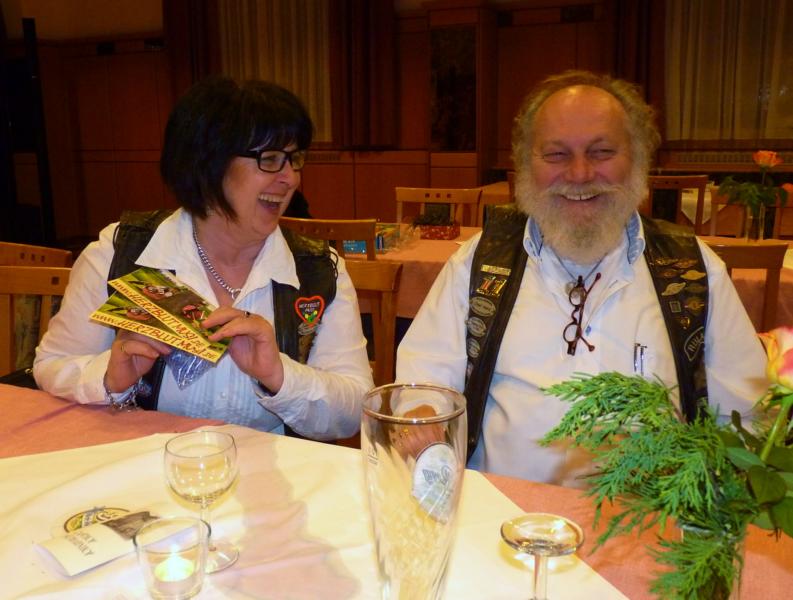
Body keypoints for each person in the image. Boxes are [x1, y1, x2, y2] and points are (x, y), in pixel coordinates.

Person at [395, 70, 768, 485]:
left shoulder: (693, 270)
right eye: (556, 155)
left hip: (645, 516)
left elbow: (746, 420)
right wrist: (422, 413)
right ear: (525, 165)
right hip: (499, 513)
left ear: (638, 158)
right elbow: (425, 378)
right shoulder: (480, 262)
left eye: (602, 152)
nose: (579, 174)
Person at [34, 77, 373, 440]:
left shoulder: (319, 270)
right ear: (209, 162)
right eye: (271, 159)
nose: (291, 179)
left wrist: (280, 375)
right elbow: (52, 365)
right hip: (145, 464)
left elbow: (356, 409)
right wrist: (109, 377)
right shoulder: (120, 253)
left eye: (295, 159)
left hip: (269, 471)